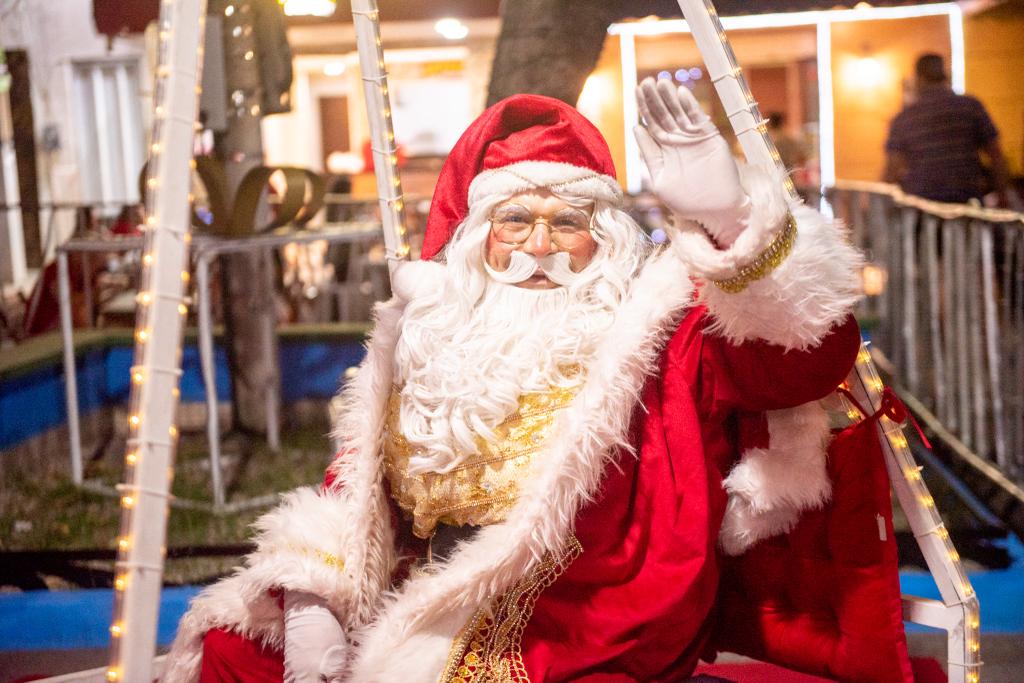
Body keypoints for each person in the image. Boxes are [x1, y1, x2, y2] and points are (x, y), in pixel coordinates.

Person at [166, 80, 910, 682]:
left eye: (569, 221)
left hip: (581, 618)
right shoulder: (431, 324)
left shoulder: (661, 329)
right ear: (478, 235)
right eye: (516, 220)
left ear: (606, 235)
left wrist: (732, 219)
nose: (541, 245)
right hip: (412, 588)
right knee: (235, 655)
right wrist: (314, 596)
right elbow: (354, 485)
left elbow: (808, 357)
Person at [884, 53, 1012, 206]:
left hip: (923, 207)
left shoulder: (904, 119)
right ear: (945, 74)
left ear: (918, 78)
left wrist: (879, 204)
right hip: (967, 203)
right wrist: (1003, 196)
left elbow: (892, 168)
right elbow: (996, 155)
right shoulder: (971, 107)